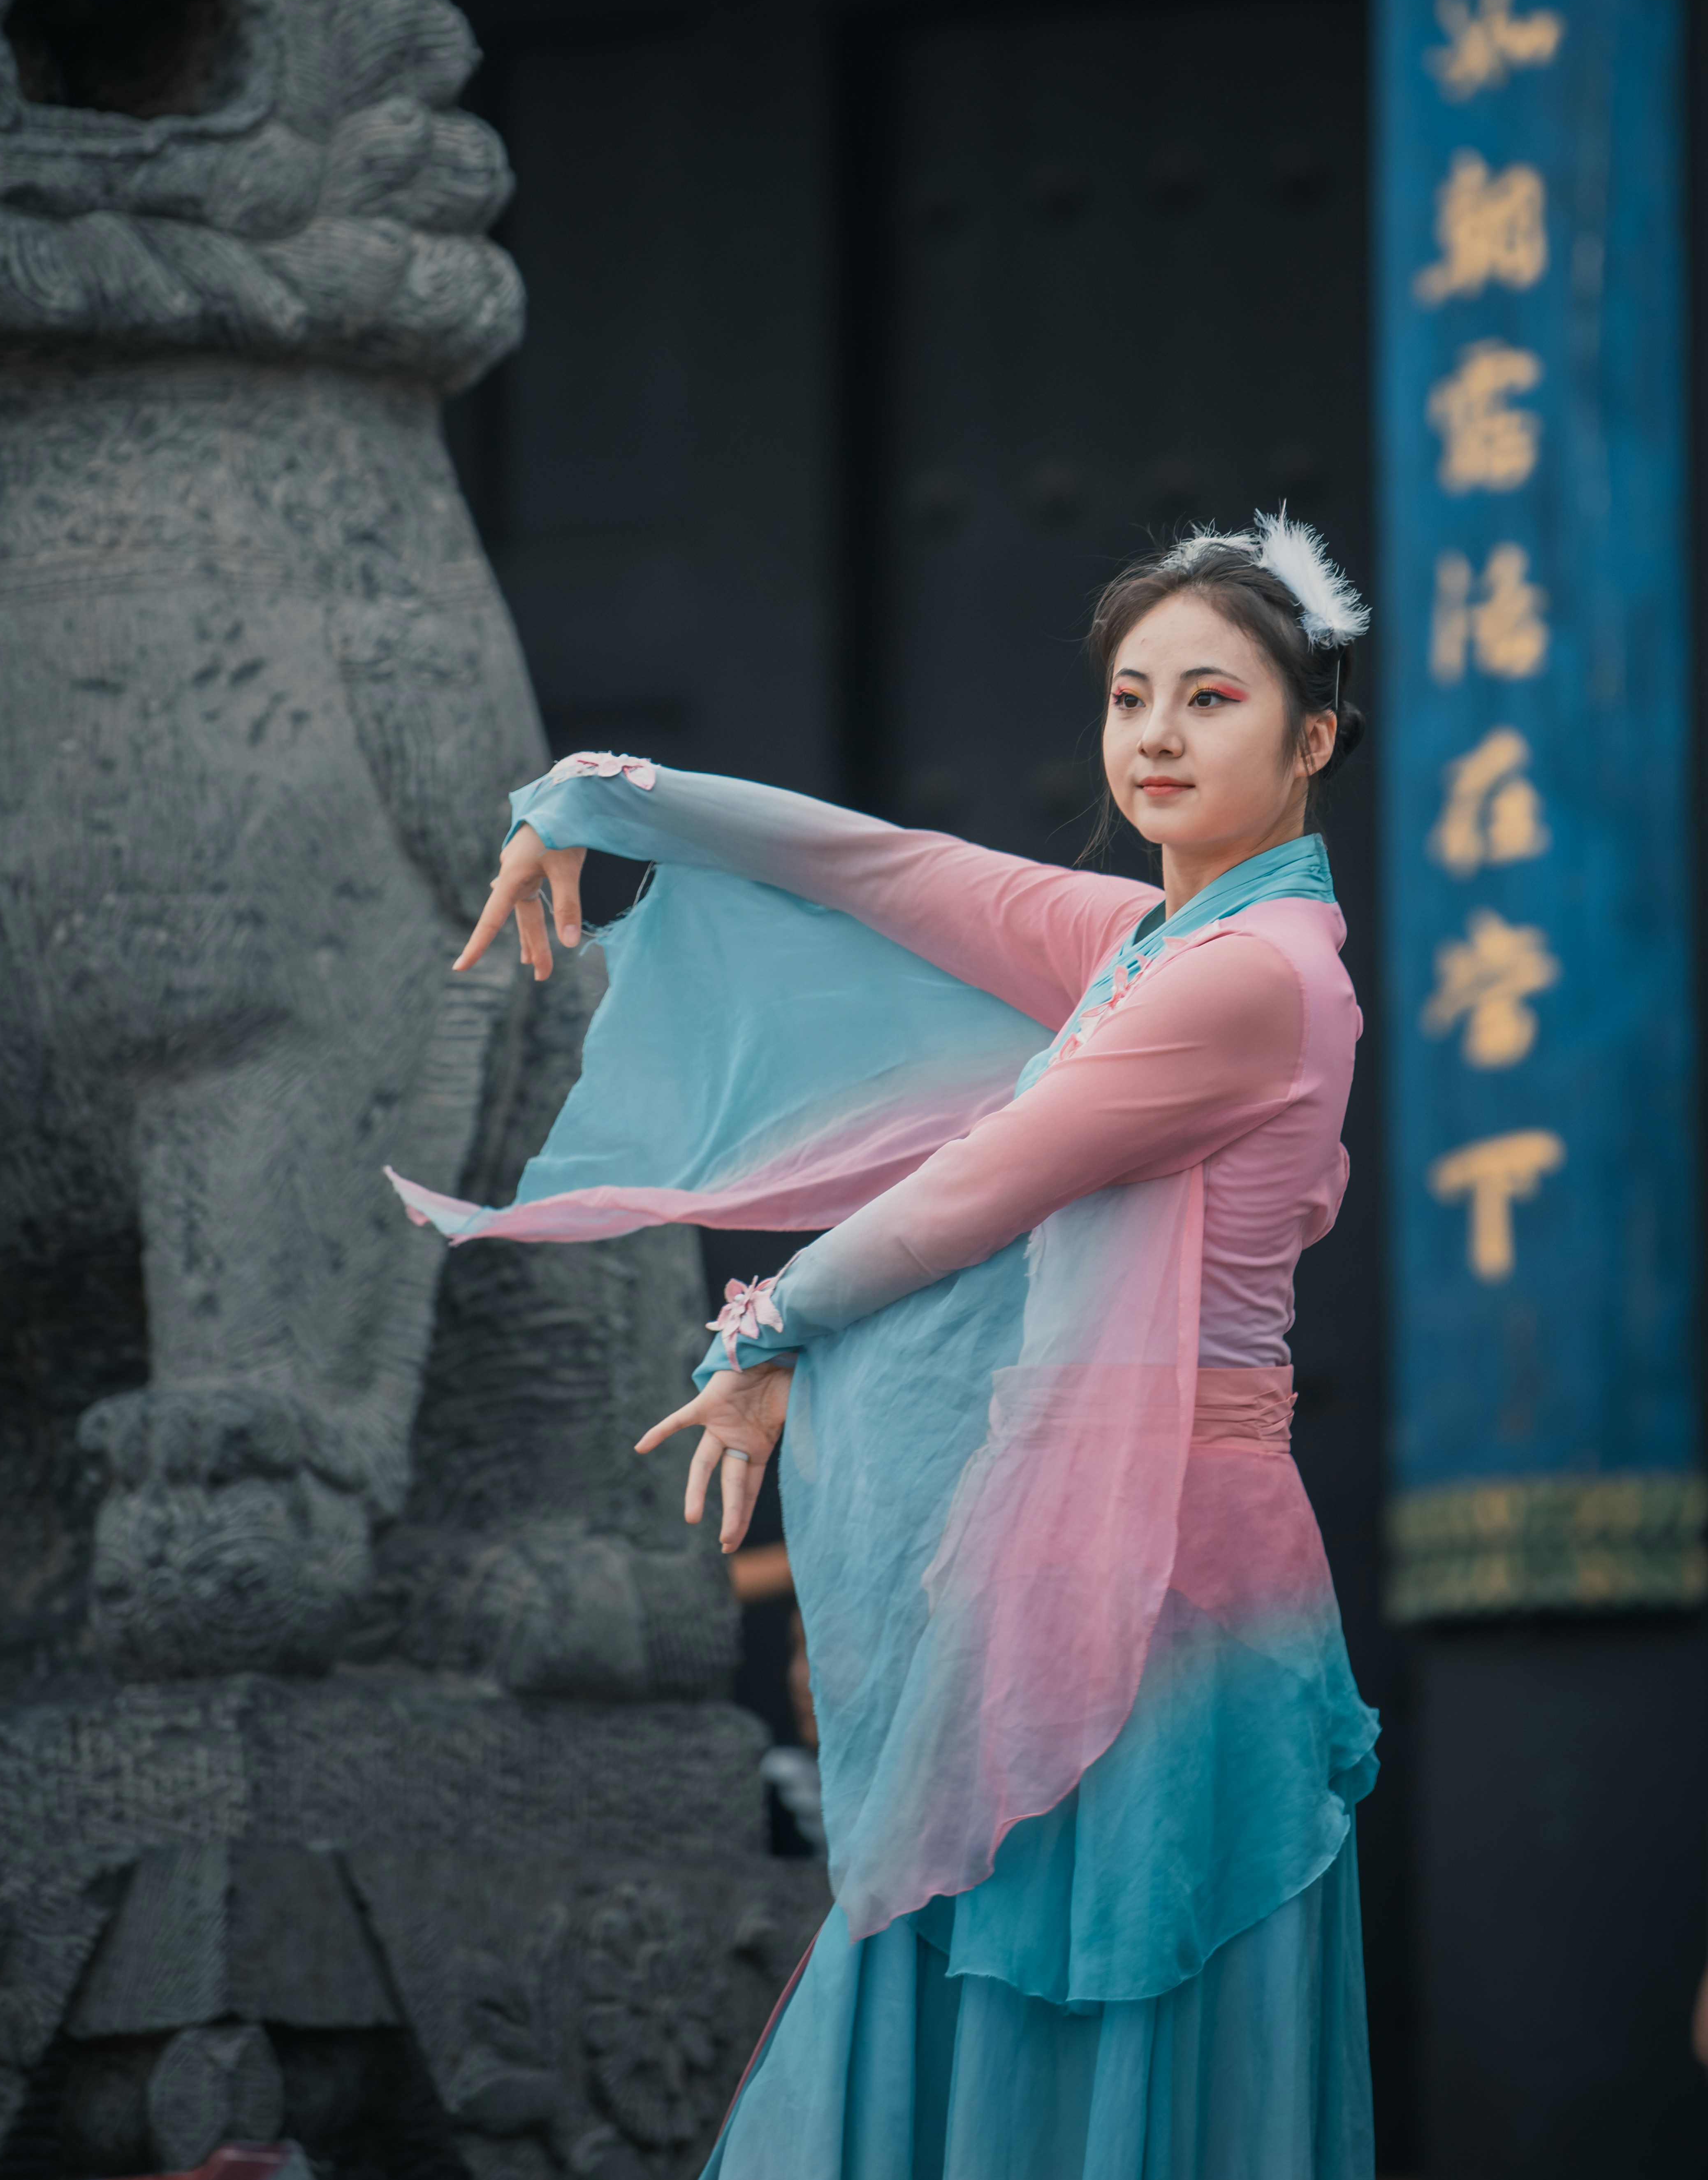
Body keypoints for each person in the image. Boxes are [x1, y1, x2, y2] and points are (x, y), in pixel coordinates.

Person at [396, 512, 1380, 2179]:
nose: (1154, 734)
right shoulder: (1154, 946)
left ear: (1313, 740)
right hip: (1058, 1551)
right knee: (981, 1998)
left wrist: (774, 1315)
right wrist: (613, 798)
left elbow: (982, 1186)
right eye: (1132, 695)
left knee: (1094, 2024)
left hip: (1182, 1571)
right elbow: (897, 872)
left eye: (1211, 699)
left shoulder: (1254, 982)